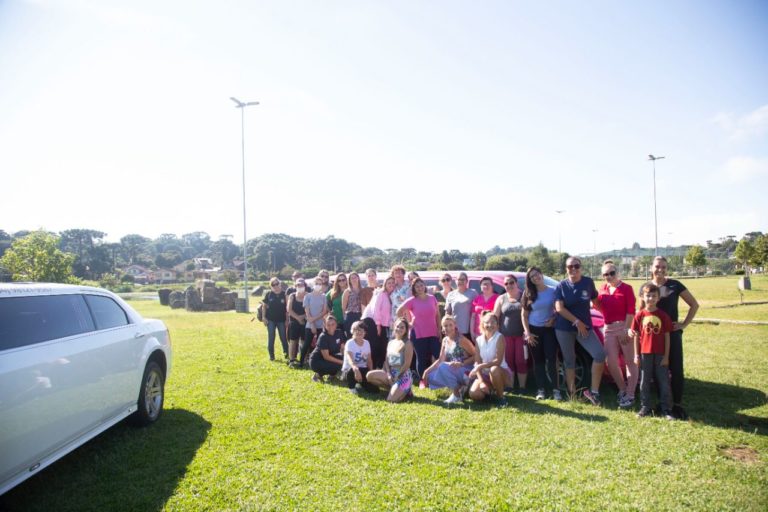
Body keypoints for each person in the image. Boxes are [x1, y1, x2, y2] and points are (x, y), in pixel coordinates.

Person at [641, 255, 699, 419]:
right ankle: (662, 403)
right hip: (653, 337)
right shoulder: (646, 287)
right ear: (651, 267)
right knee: (659, 370)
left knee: (676, 369)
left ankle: (677, 404)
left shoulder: (674, 285)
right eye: (657, 266)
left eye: (664, 267)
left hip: (672, 334)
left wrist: (683, 324)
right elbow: (641, 312)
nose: (660, 270)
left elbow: (694, 305)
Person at [554, 256, 606, 405]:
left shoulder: (588, 282)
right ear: (566, 269)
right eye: (570, 266)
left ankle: (594, 393)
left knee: (599, 354)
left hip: (584, 329)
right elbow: (559, 308)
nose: (573, 269)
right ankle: (572, 395)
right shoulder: (561, 286)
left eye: (576, 266)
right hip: (564, 328)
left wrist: (607, 316)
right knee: (569, 361)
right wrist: (577, 322)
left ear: (581, 267)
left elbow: (596, 301)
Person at [595, 260, 638, 408]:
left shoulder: (627, 288)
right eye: (605, 274)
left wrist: (626, 329)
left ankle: (631, 394)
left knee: (629, 361)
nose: (609, 276)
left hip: (624, 327)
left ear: (617, 273)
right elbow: (599, 307)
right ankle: (622, 389)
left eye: (612, 273)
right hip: (609, 328)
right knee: (611, 362)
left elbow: (631, 311)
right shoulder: (602, 289)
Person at [631, 283, 674, 420]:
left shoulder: (663, 315)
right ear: (643, 297)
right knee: (644, 381)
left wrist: (666, 356)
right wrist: (636, 355)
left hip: (661, 354)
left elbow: (667, 336)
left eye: (654, 296)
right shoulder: (639, 315)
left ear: (658, 298)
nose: (650, 298)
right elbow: (636, 336)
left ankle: (666, 408)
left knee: (663, 381)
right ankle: (645, 407)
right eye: (648, 296)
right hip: (644, 354)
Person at [521, 267, 562, 401]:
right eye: (532, 277)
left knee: (552, 360)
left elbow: (559, 309)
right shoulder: (528, 293)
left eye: (536, 274)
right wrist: (527, 333)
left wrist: (554, 318)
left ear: (541, 274)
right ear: (530, 280)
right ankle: (541, 390)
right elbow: (524, 315)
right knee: (537, 361)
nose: (535, 278)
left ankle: (556, 390)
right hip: (533, 331)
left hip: (549, 330)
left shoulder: (553, 290)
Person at [396, 278, 441, 384]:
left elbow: (438, 315)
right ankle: (423, 381)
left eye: (421, 285)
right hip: (418, 334)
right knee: (421, 359)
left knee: (438, 355)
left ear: (424, 286)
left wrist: (439, 329)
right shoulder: (411, 300)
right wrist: (408, 324)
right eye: (417, 286)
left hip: (433, 333)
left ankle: (438, 379)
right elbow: (399, 312)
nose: (420, 288)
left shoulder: (432, 298)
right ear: (414, 289)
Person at [422, 315, 476, 404]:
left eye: (450, 325)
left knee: (443, 367)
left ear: (455, 325)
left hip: (466, 370)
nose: (448, 328)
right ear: (442, 328)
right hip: (454, 369)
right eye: (445, 326)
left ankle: (457, 394)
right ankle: (461, 388)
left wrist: (461, 363)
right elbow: (440, 360)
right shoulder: (445, 340)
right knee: (430, 377)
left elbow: (476, 356)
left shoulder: (462, 340)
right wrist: (426, 372)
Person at [468, 311, 513, 408]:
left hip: (501, 373)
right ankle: (491, 392)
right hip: (485, 375)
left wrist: (480, 366)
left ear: (497, 324)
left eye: (493, 322)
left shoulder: (500, 337)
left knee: (494, 369)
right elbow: (477, 362)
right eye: (487, 322)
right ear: (482, 324)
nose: (490, 325)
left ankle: (501, 397)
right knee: (474, 394)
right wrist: (482, 382)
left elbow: (498, 361)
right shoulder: (478, 340)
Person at [367, 317, 415, 402]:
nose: (399, 329)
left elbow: (407, 364)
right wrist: (389, 374)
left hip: (403, 375)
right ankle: (394, 388)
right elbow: (386, 361)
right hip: (391, 373)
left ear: (406, 330)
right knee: (369, 376)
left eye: (402, 327)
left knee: (390, 400)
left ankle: (406, 391)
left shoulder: (408, 343)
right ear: (394, 327)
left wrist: (397, 376)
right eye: (397, 326)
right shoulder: (390, 343)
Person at [493, 275, 527, 393]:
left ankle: (522, 387)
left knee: (521, 361)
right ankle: (510, 386)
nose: (509, 285)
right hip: (505, 336)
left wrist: (526, 331)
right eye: (506, 284)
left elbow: (529, 314)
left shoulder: (524, 296)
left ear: (516, 283)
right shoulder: (501, 298)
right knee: (508, 361)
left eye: (511, 282)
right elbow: (495, 316)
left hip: (521, 336)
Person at [362, 276, 394, 369]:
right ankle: (372, 368)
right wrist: (378, 325)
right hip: (373, 323)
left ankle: (379, 367)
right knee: (374, 346)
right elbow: (376, 309)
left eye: (393, 283)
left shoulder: (390, 295)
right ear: (385, 284)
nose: (391, 284)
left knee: (382, 346)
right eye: (389, 283)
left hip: (383, 324)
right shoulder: (381, 293)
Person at [299, 277, 328, 367]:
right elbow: (307, 311)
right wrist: (312, 324)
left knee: (319, 345)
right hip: (309, 325)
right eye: (317, 283)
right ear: (313, 284)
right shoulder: (307, 296)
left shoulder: (323, 296)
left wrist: (314, 319)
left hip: (320, 325)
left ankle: (317, 362)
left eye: (320, 284)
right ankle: (301, 362)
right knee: (307, 343)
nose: (318, 285)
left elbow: (324, 311)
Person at [341, 320, 377, 394]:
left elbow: (369, 360)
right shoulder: (349, 343)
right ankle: (352, 387)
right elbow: (350, 360)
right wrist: (356, 370)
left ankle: (359, 383)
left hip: (362, 369)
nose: (358, 332)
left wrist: (371, 373)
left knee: (375, 390)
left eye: (361, 330)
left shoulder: (367, 343)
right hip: (350, 369)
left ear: (365, 332)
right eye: (356, 330)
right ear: (352, 331)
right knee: (352, 371)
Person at [308, 315, 346, 383]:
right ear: (325, 325)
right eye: (328, 324)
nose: (331, 326)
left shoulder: (339, 332)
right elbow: (326, 357)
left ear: (336, 324)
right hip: (316, 361)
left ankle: (332, 375)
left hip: (328, 357)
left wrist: (345, 359)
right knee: (338, 364)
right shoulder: (323, 336)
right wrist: (342, 362)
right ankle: (317, 375)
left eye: (333, 324)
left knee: (343, 360)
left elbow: (343, 348)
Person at [445, 272, 478, 339]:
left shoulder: (473, 293)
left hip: (469, 331)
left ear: (466, 281)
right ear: (455, 281)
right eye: (459, 279)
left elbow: (477, 311)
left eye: (463, 279)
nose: (460, 281)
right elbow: (448, 313)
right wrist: (445, 327)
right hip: (454, 330)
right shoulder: (451, 294)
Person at [262, 278, 288, 361]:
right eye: (273, 284)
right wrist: (263, 317)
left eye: (277, 284)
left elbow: (287, 309)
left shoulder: (285, 294)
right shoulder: (268, 294)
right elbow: (264, 307)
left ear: (280, 284)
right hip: (270, 320)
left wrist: (287, 320)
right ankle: (272, 356)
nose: (276, 286)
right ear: (271, 286)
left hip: (282, 320)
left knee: (283, 338)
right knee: (271, 337)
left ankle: (287, 354)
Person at [470, 277, 499, 342]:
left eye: (488, 284)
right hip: (478, 333)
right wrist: (472, 332)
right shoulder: (477, 299)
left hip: (492, 333)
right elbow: (473, 317)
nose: (486, 286)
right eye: (484, 284)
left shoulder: (498, 298)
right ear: (480, 287)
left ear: (492, 286)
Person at [286, 278, 308, 366]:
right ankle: (292, 359)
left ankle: (305, 359)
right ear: (295, 286)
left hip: (305, 322)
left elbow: (310, 309)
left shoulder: (308, 296)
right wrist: (298, 318)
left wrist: (303, 317)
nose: (300, 287)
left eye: (302, 285)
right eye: (298, 285)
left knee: (304, 341)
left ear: (305, 286)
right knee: (293, 341)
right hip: (294, 322)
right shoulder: (292, 296)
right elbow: (289, 309)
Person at [341, 272, 363, 338]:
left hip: (360, 316)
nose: (354, 279)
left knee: (360, 336)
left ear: (358, 278)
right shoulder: (347, 291)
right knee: (350, 336)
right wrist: (345, 318)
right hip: (350, 316)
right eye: (352, 278)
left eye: (355, 277)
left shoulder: (362, 290)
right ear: (349, 280)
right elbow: (343, 307)